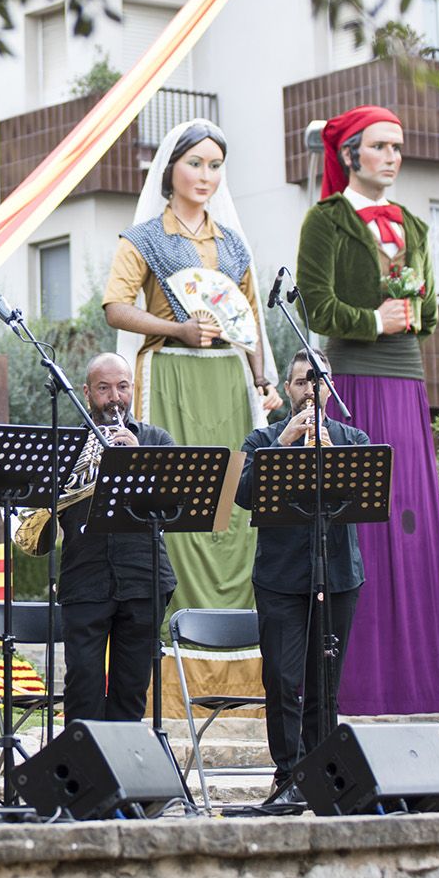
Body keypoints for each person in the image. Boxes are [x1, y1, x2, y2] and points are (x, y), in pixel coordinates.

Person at [101, 119, 280, 701]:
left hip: (228, 380)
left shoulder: (234, 245)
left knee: (236, 511)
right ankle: (170, 670)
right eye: (195, 163)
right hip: (170, 375)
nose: (205, 175)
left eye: (215, 165)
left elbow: (249, 320)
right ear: (169, 169)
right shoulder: (143, 238)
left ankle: (242, 662)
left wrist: (262, 382)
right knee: (175, 507)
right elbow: (115, 308)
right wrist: (177, 326)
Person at [294, 105, 439, 715]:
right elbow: (316, 308)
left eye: (398, 146)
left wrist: (413, 311)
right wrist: (373, 319)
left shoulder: (414, 224)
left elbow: (433, 312)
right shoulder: (325, 221)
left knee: (409, 525)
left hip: (407, 384)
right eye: (381, 146)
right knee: (359, 526)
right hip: (356, 385)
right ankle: (356, 685)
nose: (392, 156)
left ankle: (418, 684)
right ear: (351, 154)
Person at [237, 348, 368, 807]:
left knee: (324, 683)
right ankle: (288, 774)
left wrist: (332, 461)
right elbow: (243, 493)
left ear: (330, 388)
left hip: (337, 576)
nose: (311, 389)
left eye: (319, 380)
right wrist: (285, 445)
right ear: (288, 389)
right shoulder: (262, 439)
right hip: (280, 578)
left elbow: (369, 497)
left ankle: (322, 772)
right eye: (301, 381)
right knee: (282, 677)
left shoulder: (352, 438)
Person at [56, 352, 177, 722]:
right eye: (104, 388)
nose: (114, 397)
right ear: (87, 392)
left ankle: (122, 772)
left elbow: (175, 507)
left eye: (122, 387)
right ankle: (81, 772)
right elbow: (49, 507)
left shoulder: (156, 440)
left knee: (131, 685)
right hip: (84, 577)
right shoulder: (69, 444)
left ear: (132, 389)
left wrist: (138, 460)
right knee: (83, 683)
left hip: (144, 577)